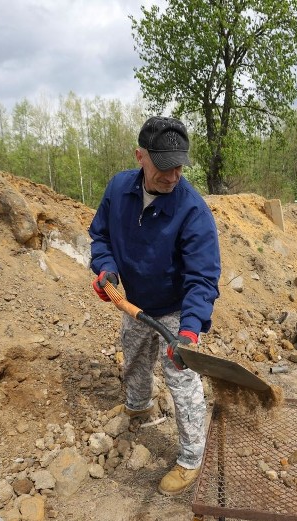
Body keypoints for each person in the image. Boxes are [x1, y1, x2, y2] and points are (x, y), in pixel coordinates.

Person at [88, 116, 221, 496]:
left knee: (182, 378)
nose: (173, 175)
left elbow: (203, 277)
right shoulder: (118, 189)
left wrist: (189, 331)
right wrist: (105, 269)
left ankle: (192, 458)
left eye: (180, 166)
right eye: (164, 167)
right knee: (133, 356)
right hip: (136, 302)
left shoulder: (193, 210)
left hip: (178, 308)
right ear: (141, 157)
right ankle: (138, 405)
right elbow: (100, 236)